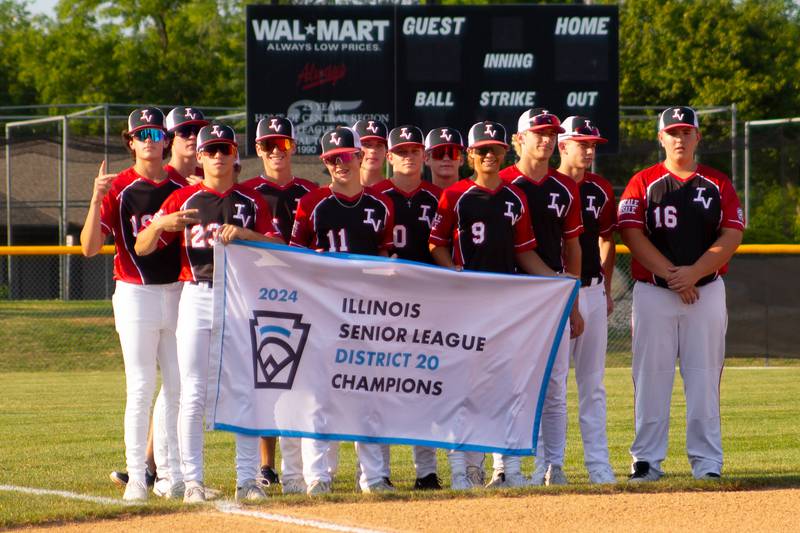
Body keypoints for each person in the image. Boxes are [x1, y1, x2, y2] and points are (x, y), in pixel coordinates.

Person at [135, 123, 283, 503]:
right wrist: (160, 223)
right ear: (199, 157)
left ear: (236, 156)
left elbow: (281, 251)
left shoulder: (251, 202)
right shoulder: (183, 199)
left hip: (240, 297)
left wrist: (250, 236)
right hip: (196, 296)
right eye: (211, 150)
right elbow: (143, 246)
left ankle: (247, 479)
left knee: (244, 389)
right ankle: (193, 481)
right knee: (192, 393)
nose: (218, 156)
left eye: (225, 149)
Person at [429, 120, 558, 489]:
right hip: (466, 304)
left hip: (504, 305)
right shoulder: (455, 196)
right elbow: (436, 243)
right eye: (481, 149)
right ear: (470, 154)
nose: (489, 155)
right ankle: (463, 471)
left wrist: (557, 281)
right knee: (463, 390)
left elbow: (525, 253)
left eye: (495, 149)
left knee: (506, 389)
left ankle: (508, 470)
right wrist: (453, 271)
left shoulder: (515, 198)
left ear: (505, 153)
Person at [618, 106, 743, 482]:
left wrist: (694, 274)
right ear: (661, 138)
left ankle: (707, 463)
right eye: (672, 132)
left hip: (705, 292)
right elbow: (631, 232)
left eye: (686, 131)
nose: (679, 138)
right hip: (655, 292)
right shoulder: (643, 182)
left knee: (704, 378)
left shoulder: (718, 183)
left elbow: (732, 234)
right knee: (651, 377)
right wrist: (675, 277)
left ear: (697, 137)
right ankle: (646, 461)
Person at [80, 107, 184, 501]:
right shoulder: (119, 187)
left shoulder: (181, 184)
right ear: (130, 142)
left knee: (177, 386)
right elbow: (90, 248)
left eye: (156, 134)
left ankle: (169, 475)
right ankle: (138, 478)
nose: (149, 142)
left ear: (166, 141)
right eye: (142, 135)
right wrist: (94, 199)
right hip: (135, 292)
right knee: (140, 387)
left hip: (177, 292)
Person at [290, 126, 395, 495]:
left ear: (360, 155)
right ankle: (319, 475)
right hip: (323, 310)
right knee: (320, 394)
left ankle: (373, 475)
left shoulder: (381, 205)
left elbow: (384, 256)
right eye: (332, 159)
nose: (340, 164)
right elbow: (294, 256)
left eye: (346, 155)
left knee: (368, 393)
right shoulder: (312, 203)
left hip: (366, 312)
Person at [496, 108, 584, 487]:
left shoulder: (564, 187)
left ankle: (553, 465)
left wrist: (574, 301)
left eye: (551, 133)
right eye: (538, 133)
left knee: (553, 386)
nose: (546, 139)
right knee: (506, 385)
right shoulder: (498, 182)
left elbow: (574, 246)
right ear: (519, 140)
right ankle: (504, 467)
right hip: (508, 294)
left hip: (551, 295)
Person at [240, 115, 318, 493]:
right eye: (267, 144)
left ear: (293, 146)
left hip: (304, 292)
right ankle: (265, 465)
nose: (275, 150)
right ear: (257, 150)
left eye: (282, 143)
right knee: (266, 377)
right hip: (262, 290)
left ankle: (300, 465)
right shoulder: (248, 192)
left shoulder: (310, 190)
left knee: (300, 380)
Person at [373, 125, 443, 490]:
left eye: (414, 150)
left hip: (429, 301)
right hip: (384, 303)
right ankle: (378, 471)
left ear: (424, 156)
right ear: (389, 157)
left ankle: (426, 470)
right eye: (401, 151)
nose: (408, 157)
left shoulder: (437, 197)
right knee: (380, 384)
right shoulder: (375, 197)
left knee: (424, 385)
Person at [557, 116, 618, 484]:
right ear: (563, 145)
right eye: (583, 143)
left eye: (593, 143)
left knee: (593, 385)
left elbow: (607, 238)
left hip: (593, 289)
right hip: (555, 292)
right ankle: (554, 465)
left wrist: (607, 288)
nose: (590, 149)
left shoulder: (600, 188)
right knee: (554, 385)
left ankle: (598, 465)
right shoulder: (548, 186)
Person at [353, 119, 388, 187]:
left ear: (386, 151)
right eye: (366, 145)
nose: (373, 150)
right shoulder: (340, 192)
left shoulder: (395, 193)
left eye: (379, 145)